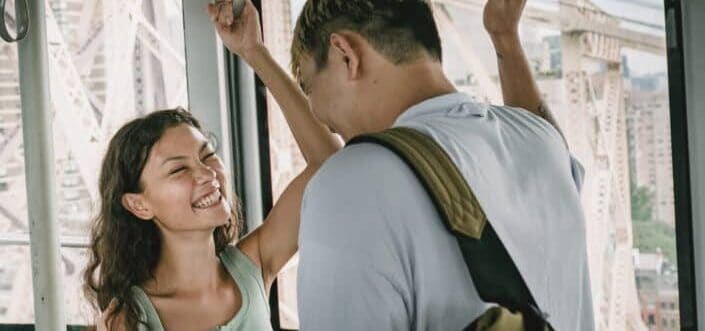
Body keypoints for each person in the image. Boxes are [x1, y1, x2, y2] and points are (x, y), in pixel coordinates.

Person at [288, 0, 595, 330]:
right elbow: (537, 130)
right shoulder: (541, 141)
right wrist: (504, 36)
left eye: (309, 87)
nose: (321, 117)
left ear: (345, 53)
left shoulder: (349, 187)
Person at [84, 1, 340, 330]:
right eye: (178, 169)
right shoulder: (129, 320)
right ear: (138, 204)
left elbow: (330, 164)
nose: (207, 174)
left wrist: (254, 52)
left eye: (207, 155)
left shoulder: (253, 265)